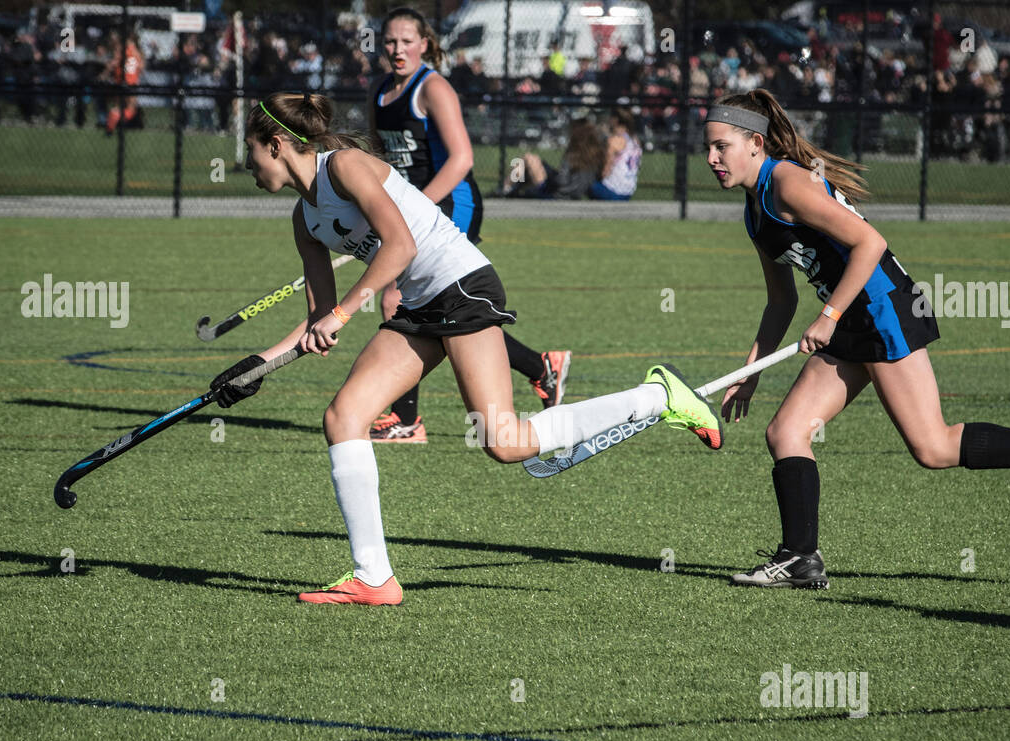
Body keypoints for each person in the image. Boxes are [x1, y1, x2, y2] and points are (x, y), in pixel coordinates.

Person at [213, 92, 724, 605]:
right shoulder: (305, 220)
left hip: (461, 286)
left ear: (277, 144)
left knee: (503, 441)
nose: (247, 164)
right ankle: (374, 577)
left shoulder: (344, 166)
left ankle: (656, 398)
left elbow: (401, 246)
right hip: (418, 305)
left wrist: (344, 313)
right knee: (344, 417)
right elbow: (315, 318)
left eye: (251, 150)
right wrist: (254, 366)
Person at [701, 90, 1010, 589]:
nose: (712, 159)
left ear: (755, 142)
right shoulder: (755, 211)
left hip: (881, 308)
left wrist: (830, 314)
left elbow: (871, 243)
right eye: (707, 149)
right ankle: (800, 558)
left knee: (932, 446)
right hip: (848, 316)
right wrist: (751, 373)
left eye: (721, 147)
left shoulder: (788, 183)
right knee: (786, 432)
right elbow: (780, 301)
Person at [369, 6, 568, 444]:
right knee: (437, 309)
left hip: (451, 205)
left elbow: (462, 158)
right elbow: (382, 162)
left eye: (407, 41)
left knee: (397, 300)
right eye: (389, 41)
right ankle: (541, 366)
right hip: (409, 212)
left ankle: (406, 422)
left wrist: (415, 206)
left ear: (424, 43)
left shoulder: (433, 87)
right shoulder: (381, 91)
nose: (397, 49)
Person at [500, 117, 605, 200]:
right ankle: (512, 188)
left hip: (556, 194)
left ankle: (506, 189)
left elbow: (561, 181)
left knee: (524, 159)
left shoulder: (573, 154)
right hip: (575, 193)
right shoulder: (596, 154)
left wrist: (552, 176)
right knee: (532, 161)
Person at [591, 107, 642, 201]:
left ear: (615, 120)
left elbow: (605, 171)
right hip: (628, 191)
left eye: (610, 118)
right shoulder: (635, 140)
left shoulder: (615, 141)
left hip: (614, 191)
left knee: (585, 182)